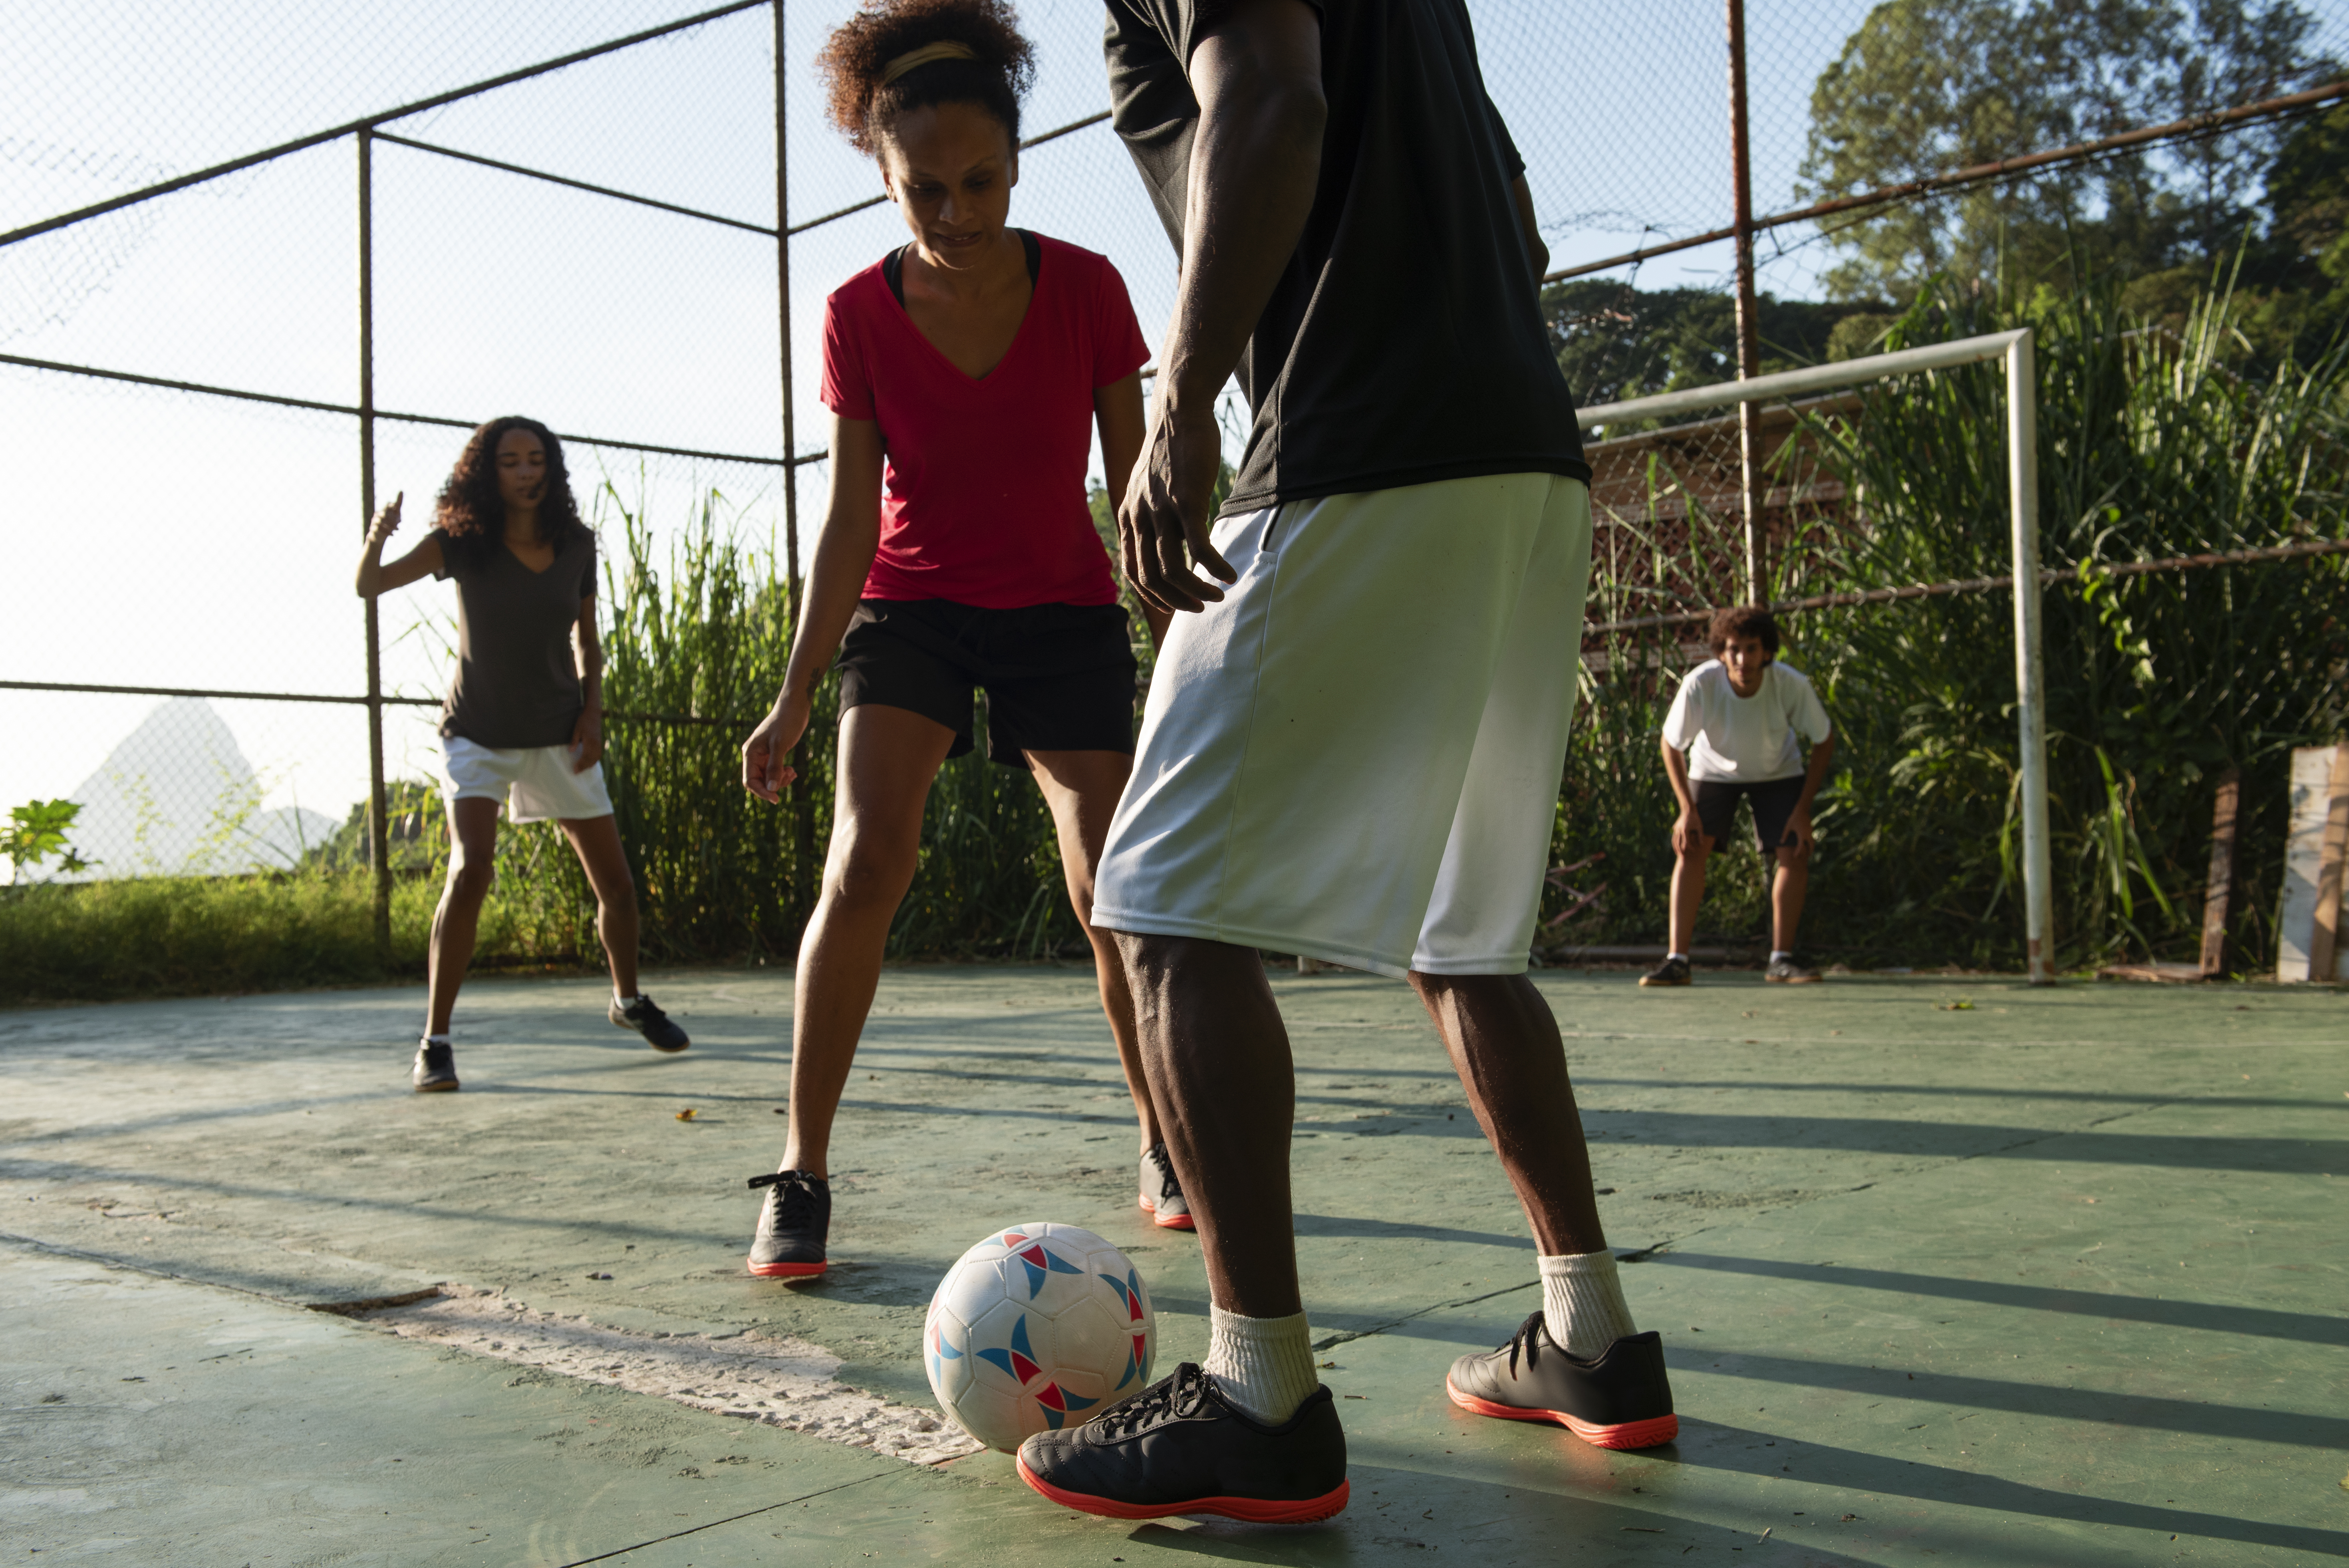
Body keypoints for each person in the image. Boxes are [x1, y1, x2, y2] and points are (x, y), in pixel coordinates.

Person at [1011, 0, 1676, 1525]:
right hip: (1517, 448)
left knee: (1160, 908)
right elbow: (1510, 214)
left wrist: (1182, 397)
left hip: (1356, 438)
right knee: (1461, 933)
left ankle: (1257, 1391)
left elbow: (1276, 106)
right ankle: (1591, 1330)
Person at [735, 0, 1183, 1281]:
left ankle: (1164, 1137)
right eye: (923, 188)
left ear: (1019, 164)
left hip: (1058, 611)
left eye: (979, 180)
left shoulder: (1090, 290)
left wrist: (1181, 662)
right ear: (883, 178)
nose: (955, 208)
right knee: (865, 859)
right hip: (912, 610)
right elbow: (843, 524)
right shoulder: (856, 315)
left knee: (1113, 888)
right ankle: (802, 1171)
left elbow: (1137, 488)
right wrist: (791, 693)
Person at [356, 417, 689, 1092]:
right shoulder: (460, 543)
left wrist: (592, 713)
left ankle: (627, 1001)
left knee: (618, 890)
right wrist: (377, 535)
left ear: (551, 468)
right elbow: (370, 586)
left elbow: (588, 645)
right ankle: (436, 1043)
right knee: (471, 868)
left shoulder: (576, 546)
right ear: (488, 472)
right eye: (511, 462)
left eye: (537, 459)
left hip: (558, 735)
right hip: (477, 732)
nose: (527, 472)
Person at [1641, 607, 1838, 988]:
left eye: (1751, 649)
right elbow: (1671, 743)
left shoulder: (1790, 685)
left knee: (1795, 851)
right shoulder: (1700, 684)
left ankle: (1781, 960)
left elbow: (1823, 739)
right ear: (1720, 652)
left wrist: (1802, 811)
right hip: (1712, 772)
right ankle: (1677, 962)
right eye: (1733, 650)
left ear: (1767, 653)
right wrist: (1686, 810)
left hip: (1778, 773)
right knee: (1690, 848)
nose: (1742, 660)